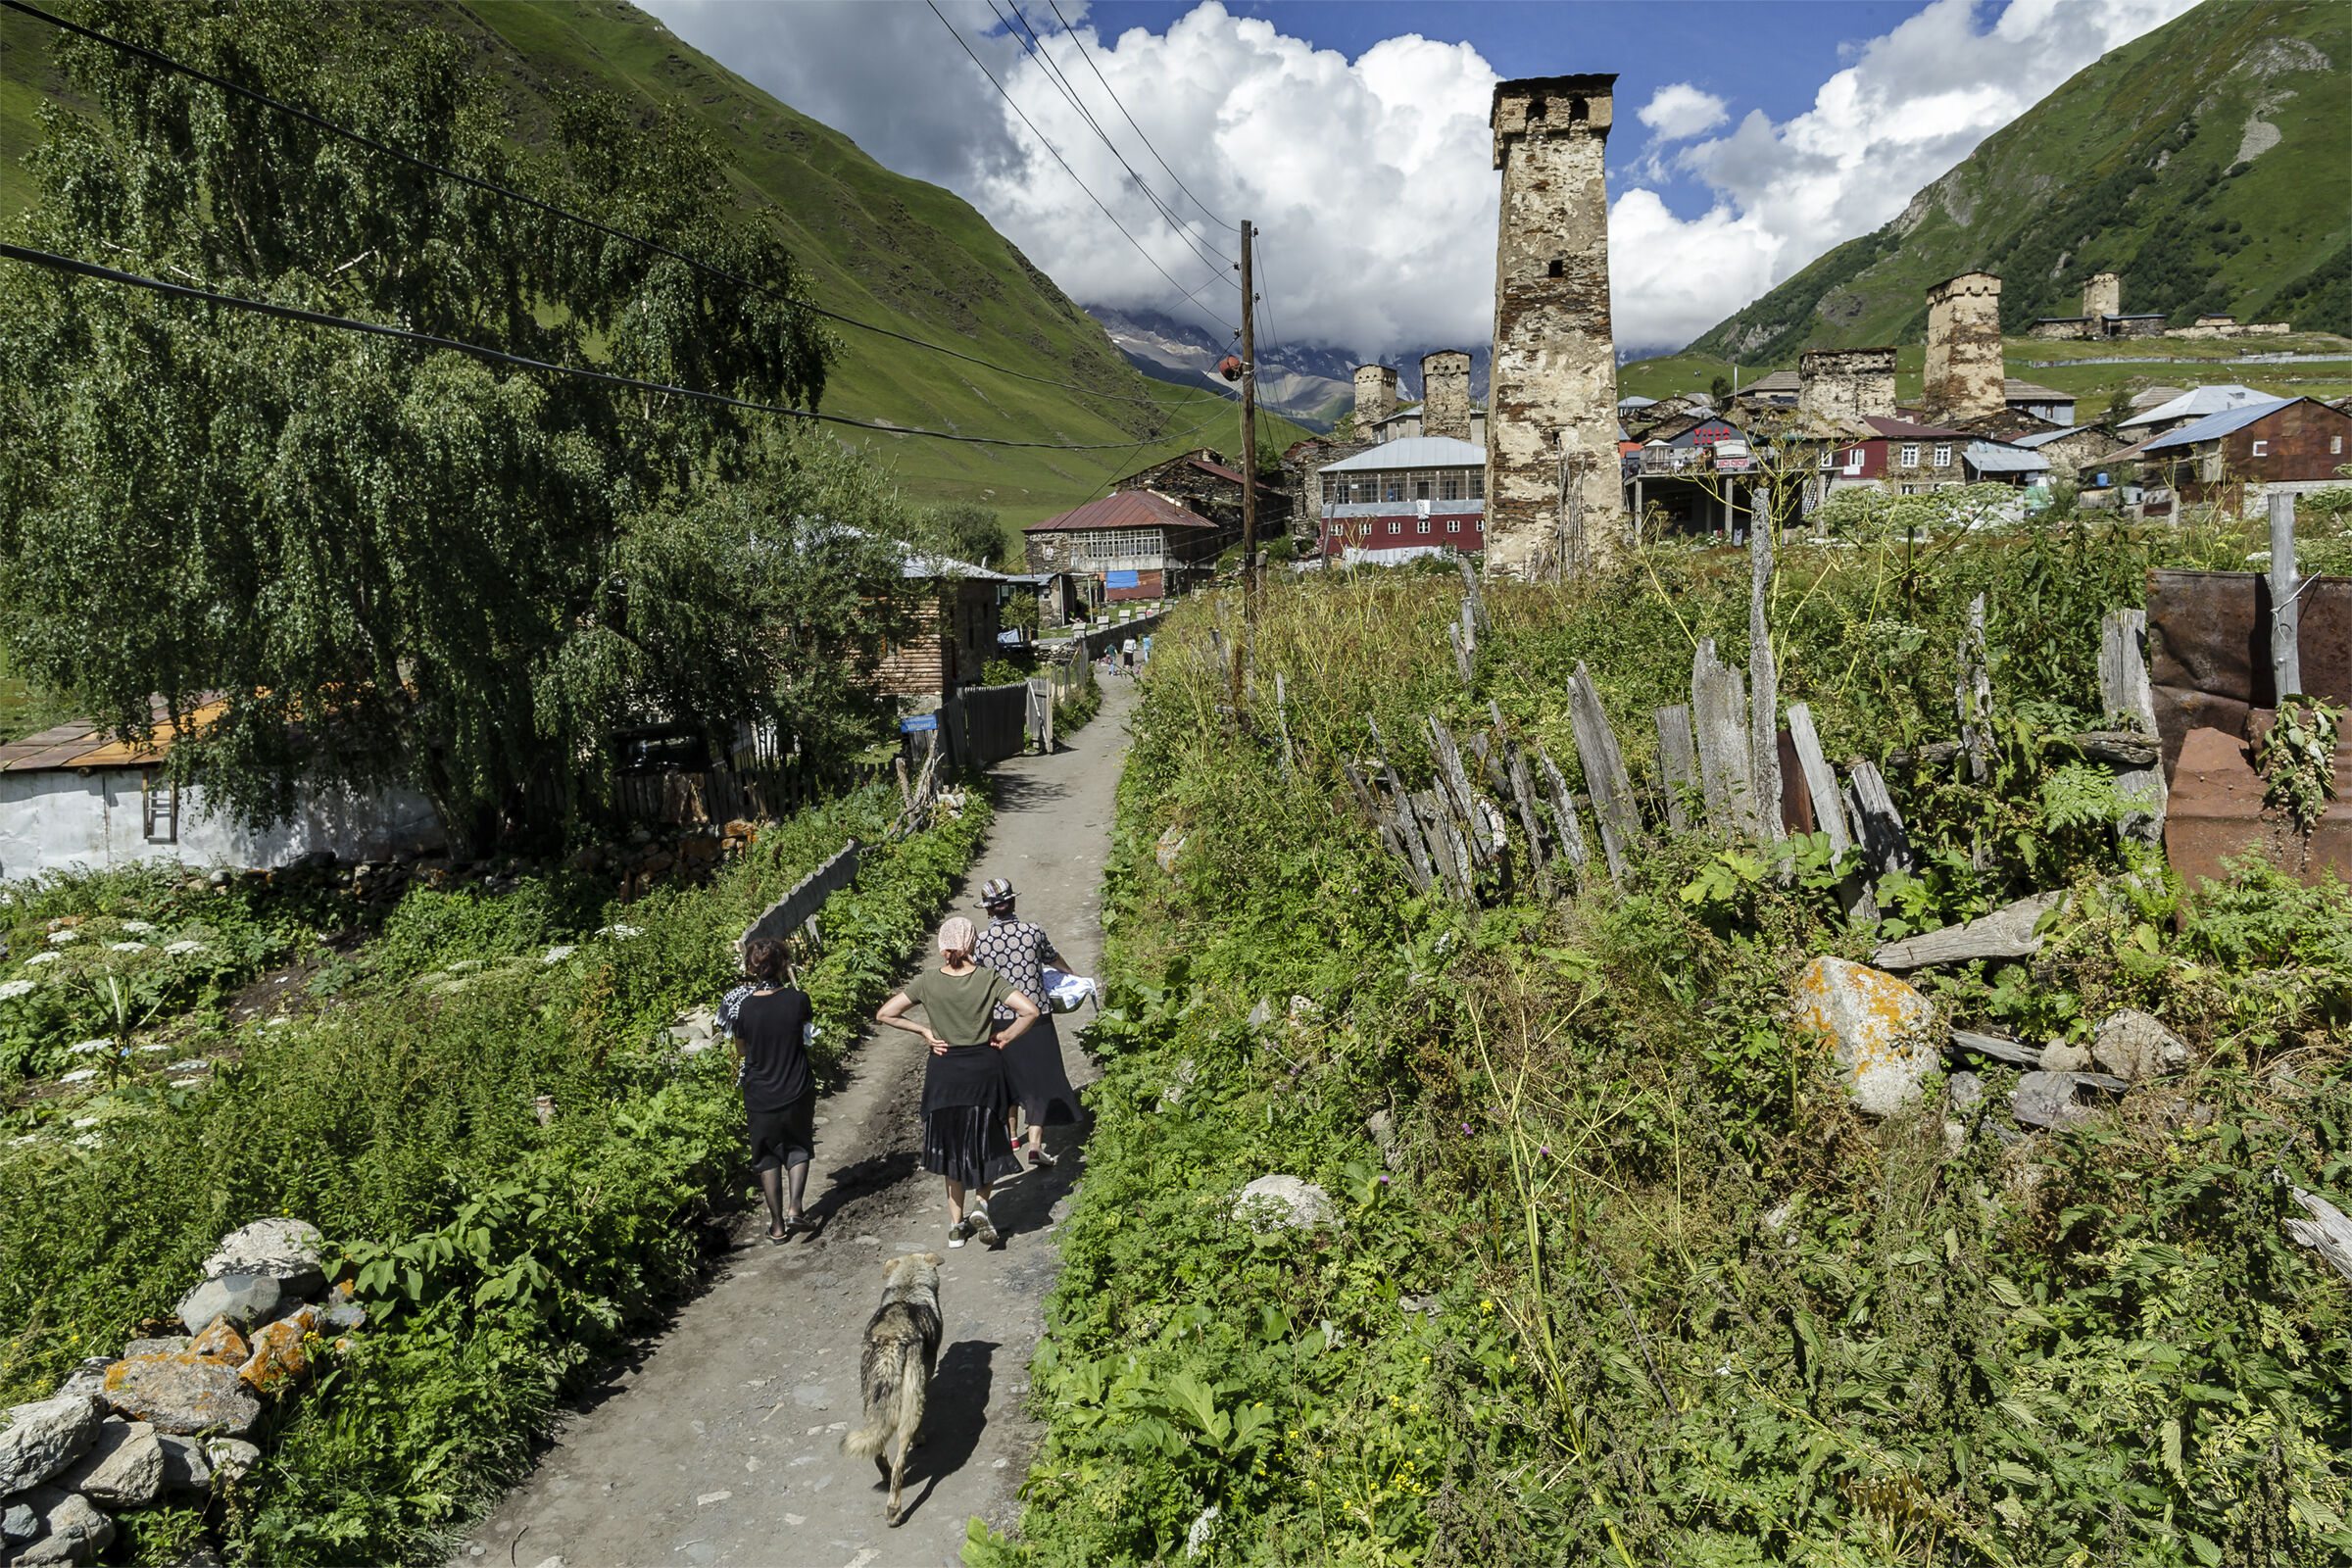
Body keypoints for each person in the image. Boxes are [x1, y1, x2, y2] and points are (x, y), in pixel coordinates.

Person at [876, 918, 1041, 1249]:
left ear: (943, 944)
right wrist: (1005, 1036)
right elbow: (1031, 1011)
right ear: (970, 943)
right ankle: (981, 1204)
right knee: (987, 1140)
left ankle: (955, 1227)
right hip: (984, 1071)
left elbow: (885, 1014)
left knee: (952, 1148)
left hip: (945, 1074)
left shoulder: (927, 982)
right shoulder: (987, 978)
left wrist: (924, 1032)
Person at [971, 878, 1080, 1167]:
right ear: (1014, 903)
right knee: (1039, 1080)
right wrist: (1073, 976)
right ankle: (1035, 1146)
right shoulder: (1032, 932)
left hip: (1000, 1020)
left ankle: (1012, 1136)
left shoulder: (980, 942)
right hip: (1036, 1016)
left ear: (988, 911)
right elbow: (1053, 959)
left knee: (1009, 1079)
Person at [718, 938, 817, 1243]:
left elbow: (741, 1050)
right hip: (796, 1085)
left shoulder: (744, 1009)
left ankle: (776, 1226)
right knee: (798, 1147)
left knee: (766, 1157)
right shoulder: (799, 1000)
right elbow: (805, 1033)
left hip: (760, 1093)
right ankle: (795, 1207)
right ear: (784, 964)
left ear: (751, 968)